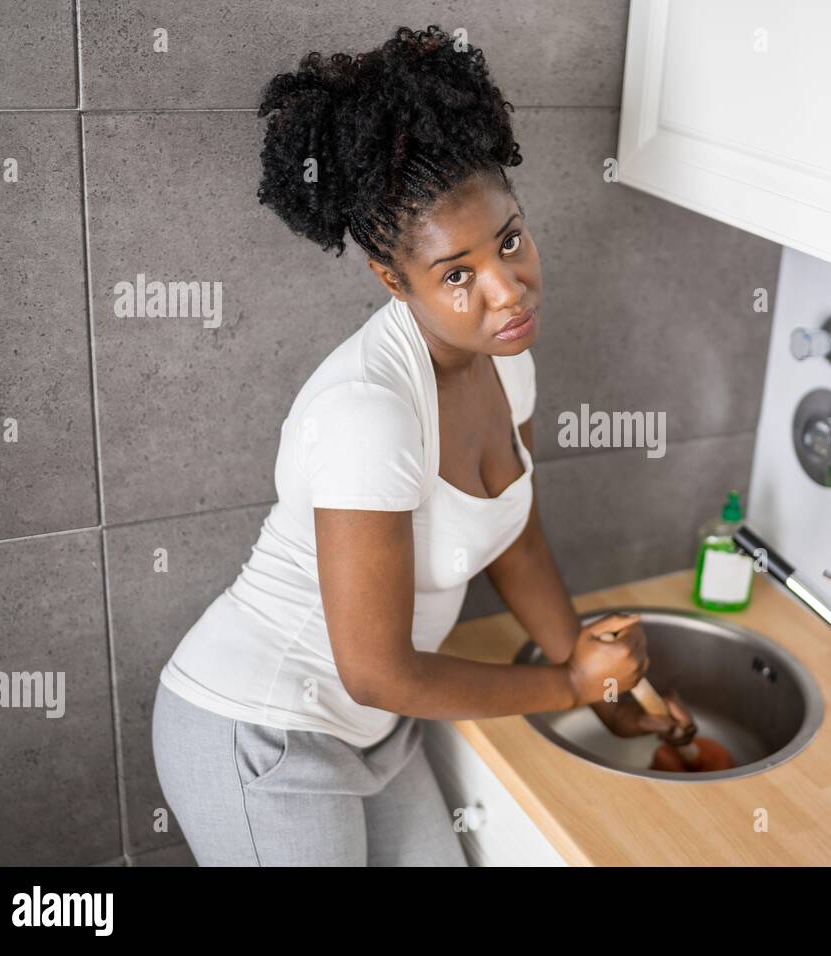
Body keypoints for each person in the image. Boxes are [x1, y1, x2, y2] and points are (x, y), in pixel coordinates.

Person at [150, 24, 694, 867]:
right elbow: (376, 670)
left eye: (510, 238)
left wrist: (601, 678)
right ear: (391, 278)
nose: (508, 290)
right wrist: (568, 686)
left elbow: (515, 537)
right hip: (261, 735)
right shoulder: (370, 413)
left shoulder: (505, 364)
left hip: (379, 732)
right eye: (457, 273)